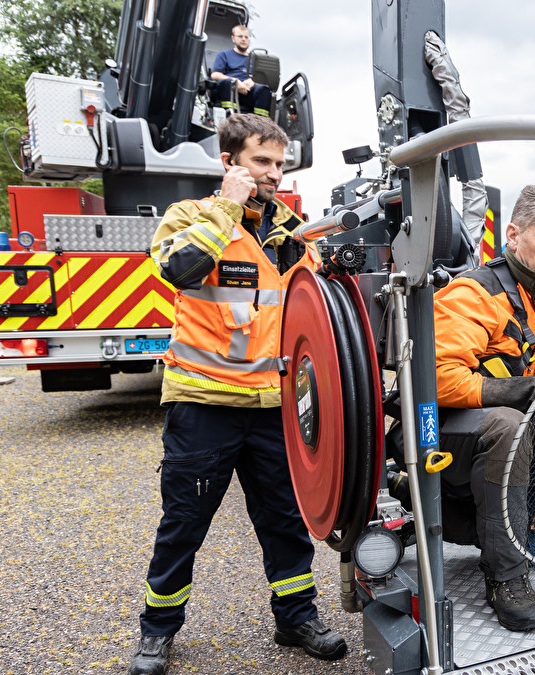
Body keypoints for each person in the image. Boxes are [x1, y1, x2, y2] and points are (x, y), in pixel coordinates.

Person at [128, 114, 344, 674]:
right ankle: (157, 634)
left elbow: (314, 312)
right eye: (261, 162)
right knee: (183, 525)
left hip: (274, 408)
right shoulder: (191, 217)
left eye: (279, 163)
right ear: (230, 163)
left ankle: (296, 619)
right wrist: (225, 207)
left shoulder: (291, 230)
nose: (274, 173)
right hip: (205, 405)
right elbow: (180, 269)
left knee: (285, 522)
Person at [432, 185, 535, 632]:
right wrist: (523, 390)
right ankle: (506, 577)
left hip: (504, 443)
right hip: (437, 440)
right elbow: (437, 379)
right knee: (511, 423)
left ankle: (529, 524)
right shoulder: (473, 294)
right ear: (513, 235)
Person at [211, 24, 271, 117]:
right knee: (227, 83)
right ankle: (230, 118)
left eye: (246, 37)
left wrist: (254, 81)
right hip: (229, 91)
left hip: (249, 92)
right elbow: (215, 75)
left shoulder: (256, 59)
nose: (243, 39)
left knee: (264, 89)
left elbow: (266, 80)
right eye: (240, 36)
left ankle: (260, 123)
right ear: (233, 38)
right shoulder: (224, 55)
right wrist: (235, 82)